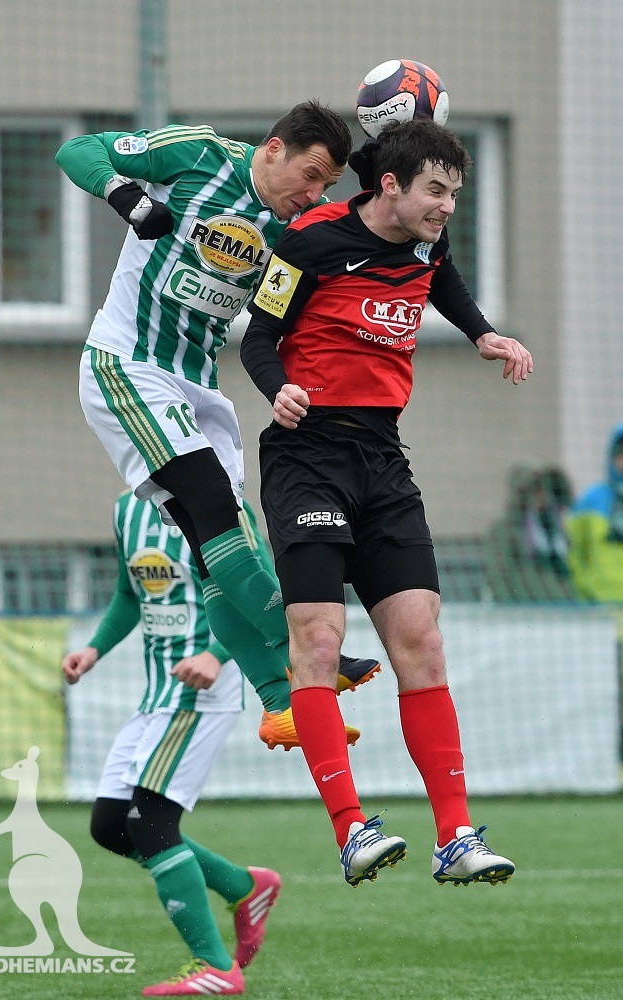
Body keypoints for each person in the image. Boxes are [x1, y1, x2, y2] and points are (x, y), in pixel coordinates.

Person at [240, 118, 532, 887]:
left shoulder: (427, 244)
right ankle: (350, 829)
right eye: (436, 191)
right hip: (307, 457)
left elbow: (445, 277)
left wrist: (484, 335)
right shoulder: (309, 240)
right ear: (391, 187)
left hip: (381, 458)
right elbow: (257, 338)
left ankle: (456, 837)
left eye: (456, 194)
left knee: (422, 641)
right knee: (321, 640)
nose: (448, 207)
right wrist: (281, 391)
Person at [55, 102, 380, 752]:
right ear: (274, 149)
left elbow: (280, 319)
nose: (313, 195)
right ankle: (303, 646)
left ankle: (278, 702)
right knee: (212, 508)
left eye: (326, 187)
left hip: (197, 386)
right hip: (129, 365)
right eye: (310, 176)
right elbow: (79, 151)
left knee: (219, 548)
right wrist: (126, 197)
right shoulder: (197, 155)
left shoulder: (294, 233)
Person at [63, 492, 282, 996]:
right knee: (111, 825)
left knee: (149, 820)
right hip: (157, 691)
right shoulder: (125, 509)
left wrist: (215, 653)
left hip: (205, 690)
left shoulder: (219, 504)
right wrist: (94, 648)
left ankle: (216, 968)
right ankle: (244, 886)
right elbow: (128, 595)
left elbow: (264, 592)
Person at [566, 421, 623, 772]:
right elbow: (576, 556)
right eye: (622, 456)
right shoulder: (591, 501)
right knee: (614, 695)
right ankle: (620, 766)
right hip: (607, 617)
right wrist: (589, 597)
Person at [485, 464, 580, 601]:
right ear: (522, 493)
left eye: (545, 488)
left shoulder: (555, 526)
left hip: (563, 607)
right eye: (536, 489)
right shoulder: (505, 528)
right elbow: (499, 575)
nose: (543, 495)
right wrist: (511, 612)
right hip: (528, 611)